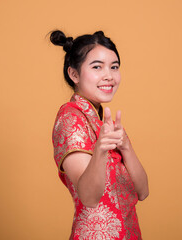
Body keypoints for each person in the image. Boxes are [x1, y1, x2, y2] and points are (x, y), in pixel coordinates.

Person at [50, 30, 149, 240]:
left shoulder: (106, 123)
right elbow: (89, 198)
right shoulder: (70, 118)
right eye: (97, 67)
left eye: (114, 67)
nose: (109, 76)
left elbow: (143, 192)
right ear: (74, 74)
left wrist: (126, 147)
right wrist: (100, 151)